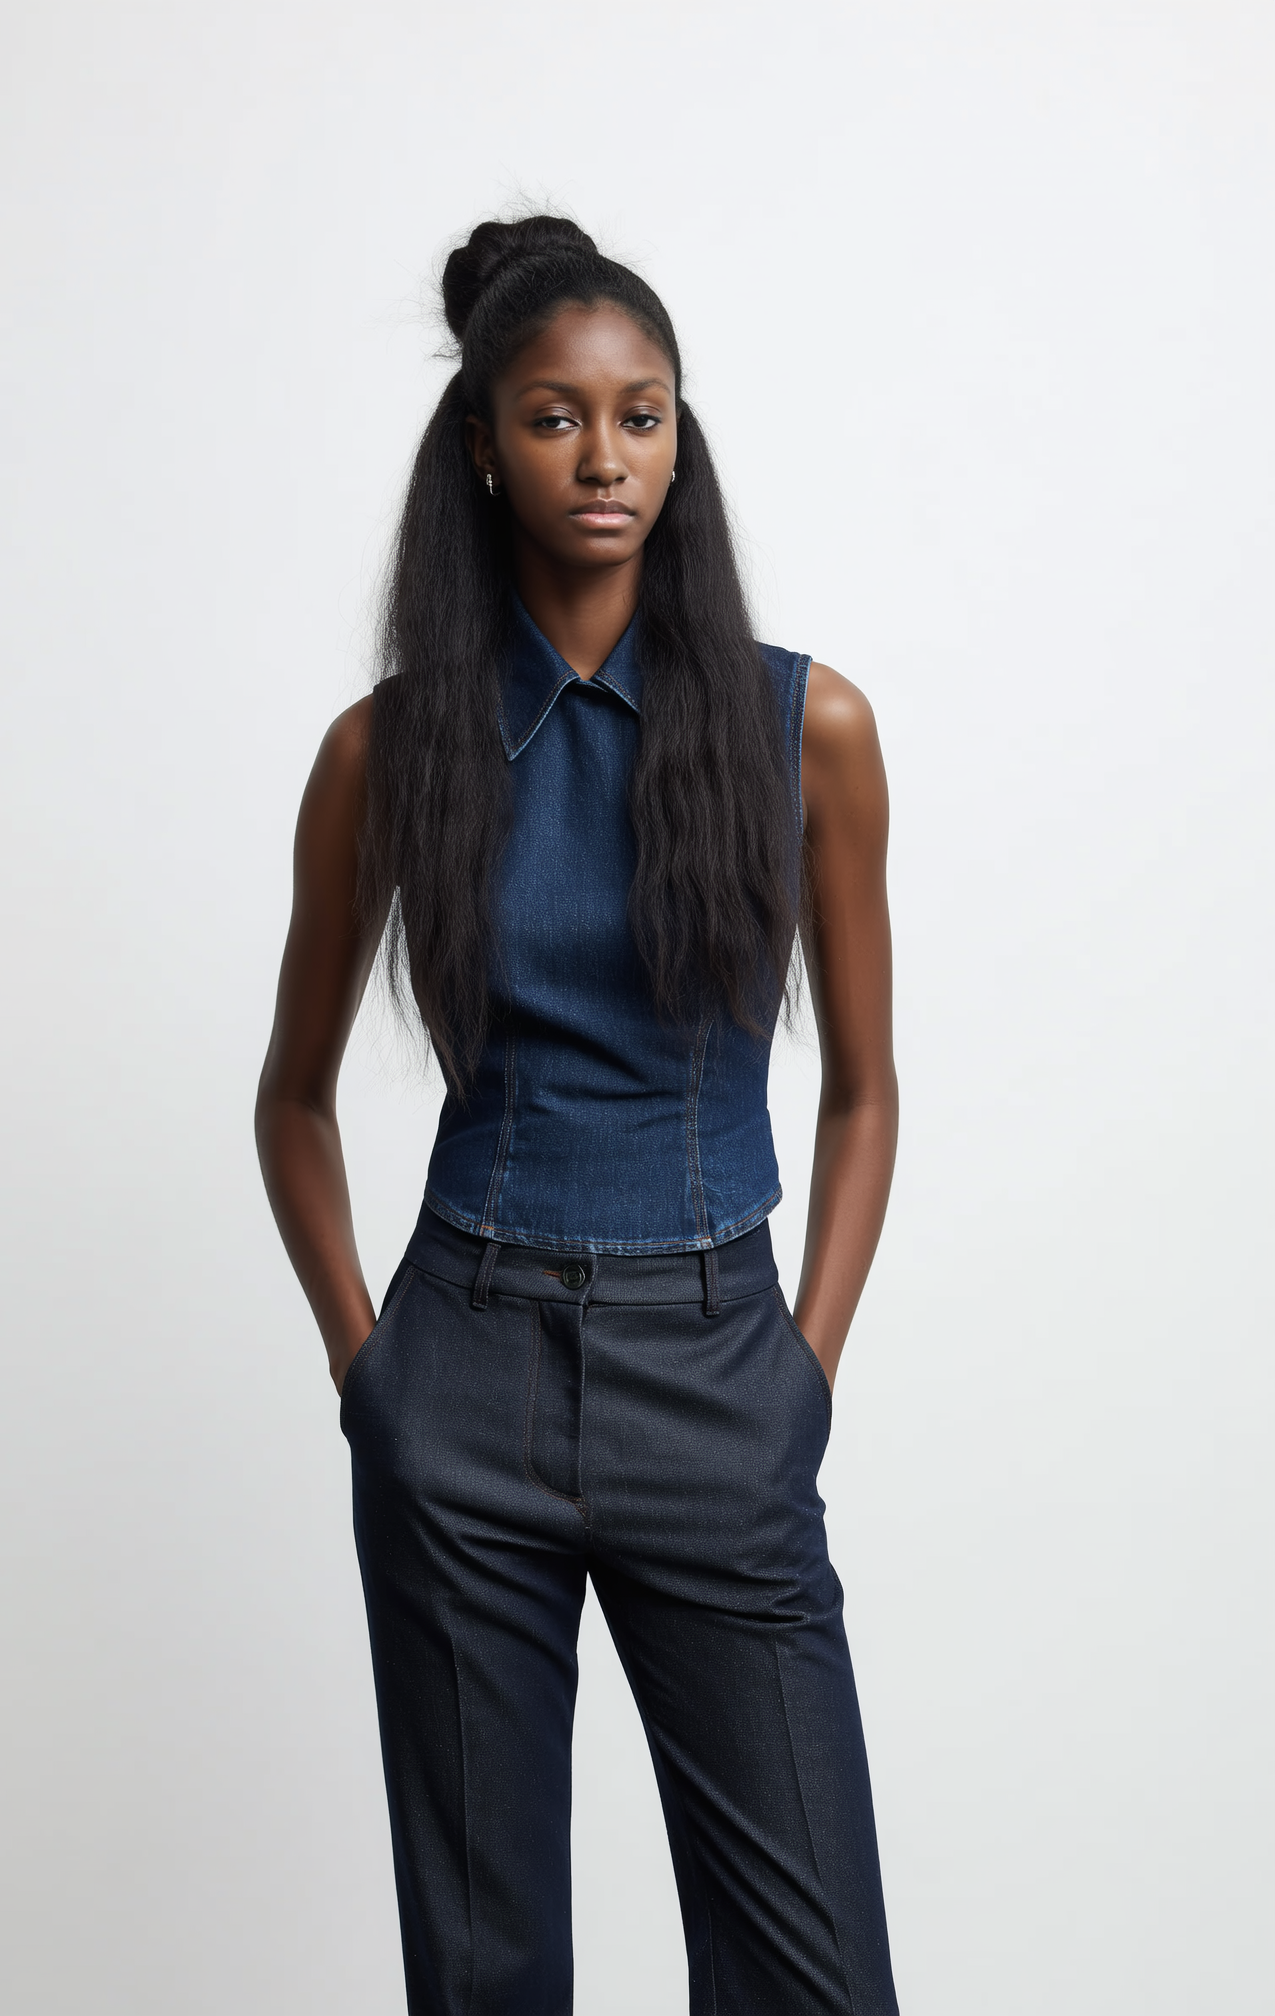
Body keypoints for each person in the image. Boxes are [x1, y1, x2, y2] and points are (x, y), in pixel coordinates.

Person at [256, 215, 900, 2016]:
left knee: (815, 1975)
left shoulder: (805, 730)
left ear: (682, 441)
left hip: (719, 1378)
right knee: (485, 1978)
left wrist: (802, 1376)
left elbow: (866, 1086)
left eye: (643, 416)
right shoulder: (386, 755)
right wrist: (371, 1373)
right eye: (555, 418)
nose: (604, 456)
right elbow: (289, 1102)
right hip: (461, 1384)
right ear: (482, 440)